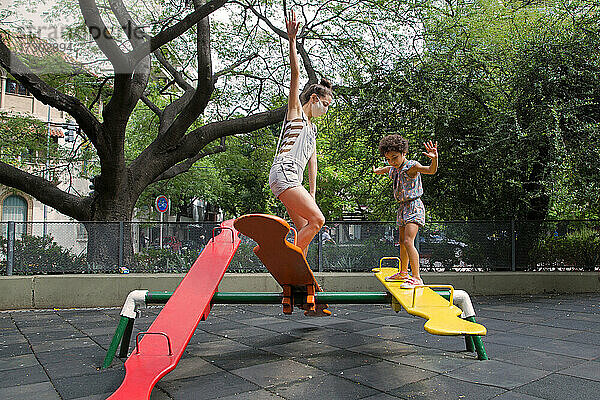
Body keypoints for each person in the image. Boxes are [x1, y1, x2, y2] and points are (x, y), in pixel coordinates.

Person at [269, 9, 333, 256]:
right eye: (325, 105)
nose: (325, 110)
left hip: (291, 179)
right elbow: (295, 76)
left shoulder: (312, 130)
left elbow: (312, 163)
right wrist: (292, 40)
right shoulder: (295, 112)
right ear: (314, 98)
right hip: (284, 173)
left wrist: (312, 195)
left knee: (305, 225)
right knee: (318, 221)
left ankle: (298, 277)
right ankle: (285, 258)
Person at [373, 135, 438, 288]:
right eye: (388, 159)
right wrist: (377, 170)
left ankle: (416, 277)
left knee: (409, 241)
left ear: (404, 153)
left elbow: (430, 170)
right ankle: (403, 273)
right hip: (402, 208)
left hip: (414, 206)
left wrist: (434, 158)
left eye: (395, 158)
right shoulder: (394, 169)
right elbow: (386, 169)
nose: (392, 162)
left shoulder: (411, 167)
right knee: (402, 242)